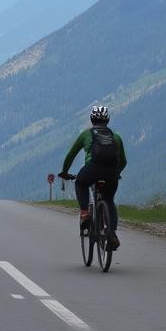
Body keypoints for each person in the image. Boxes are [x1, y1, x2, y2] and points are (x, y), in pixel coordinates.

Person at [58, 105, 127, 250]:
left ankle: (84, 213)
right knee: (109, 200)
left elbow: (70, 156)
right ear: (107, 120)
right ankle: (112, 233)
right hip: (111, 173)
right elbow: (123, 161)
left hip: (92, 169)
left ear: (91, 119)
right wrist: (116, 173)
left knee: (80, 183)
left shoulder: (86, 135)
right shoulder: (116, 137)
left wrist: (64, 172)